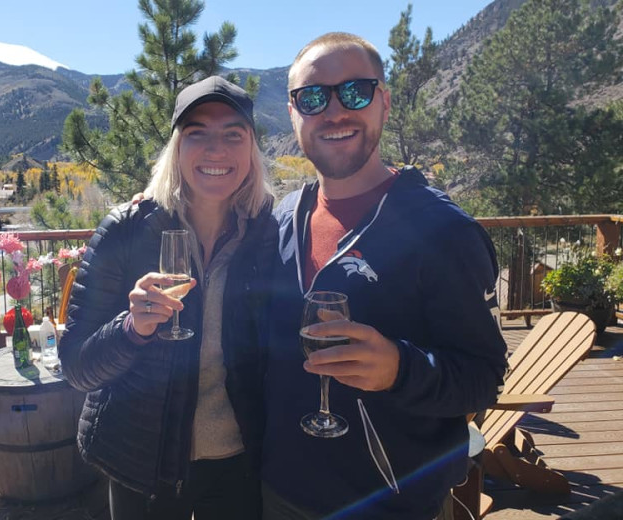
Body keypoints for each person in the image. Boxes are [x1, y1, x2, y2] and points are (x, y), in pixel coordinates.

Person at [261, 32, 508, 520]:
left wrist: (400, 368)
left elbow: (484, 377)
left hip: (394, 502)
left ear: (384, 102)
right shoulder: (282, 218)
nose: (334, 111)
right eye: (312, 97)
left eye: (354, 91)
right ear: (293, 115)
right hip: (281, 493)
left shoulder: (444, 232)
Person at [59, 75, 276, 520]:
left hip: (237, 459)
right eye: (198, 134)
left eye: (233, 135)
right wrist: (132, 328)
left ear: (251, 150)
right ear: (176, 147)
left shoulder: (265, 234)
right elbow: (77, 366)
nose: (216, 150)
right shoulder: (127, 230)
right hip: (143, 459)